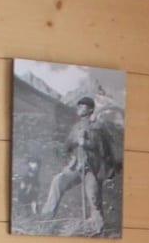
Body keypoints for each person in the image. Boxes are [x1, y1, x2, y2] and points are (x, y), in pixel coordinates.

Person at [37, 95, 120, 235]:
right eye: (78, 105)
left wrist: (86, 143)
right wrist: (69, 156)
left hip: (92, 169)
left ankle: (98, 230)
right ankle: (46, 218)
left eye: (83, 106)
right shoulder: (76, 127)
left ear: (91, 110)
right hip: (77, 167)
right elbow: (67, 147)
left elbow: (102, 149)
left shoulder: (98, 127)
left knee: (94, 199)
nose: (79, 108)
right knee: (58, 181)